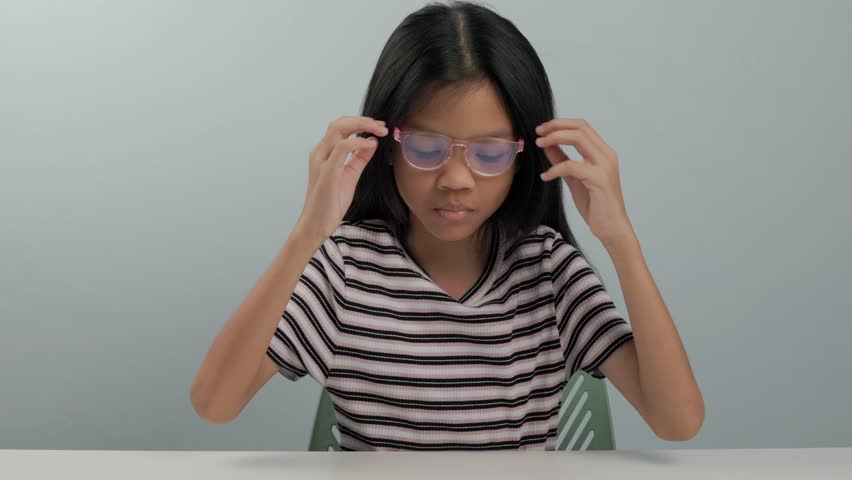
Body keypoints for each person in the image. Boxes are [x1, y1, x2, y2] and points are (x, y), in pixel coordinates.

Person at [190, 0, 704, 450]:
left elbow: (677, 422)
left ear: (522, 158)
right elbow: (215, 404)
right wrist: (308, 233)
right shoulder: (346, 268)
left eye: (489, 153)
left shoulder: (548, 270)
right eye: (425, 147)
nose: (455, 180)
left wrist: (621, 242)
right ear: (386, 146)